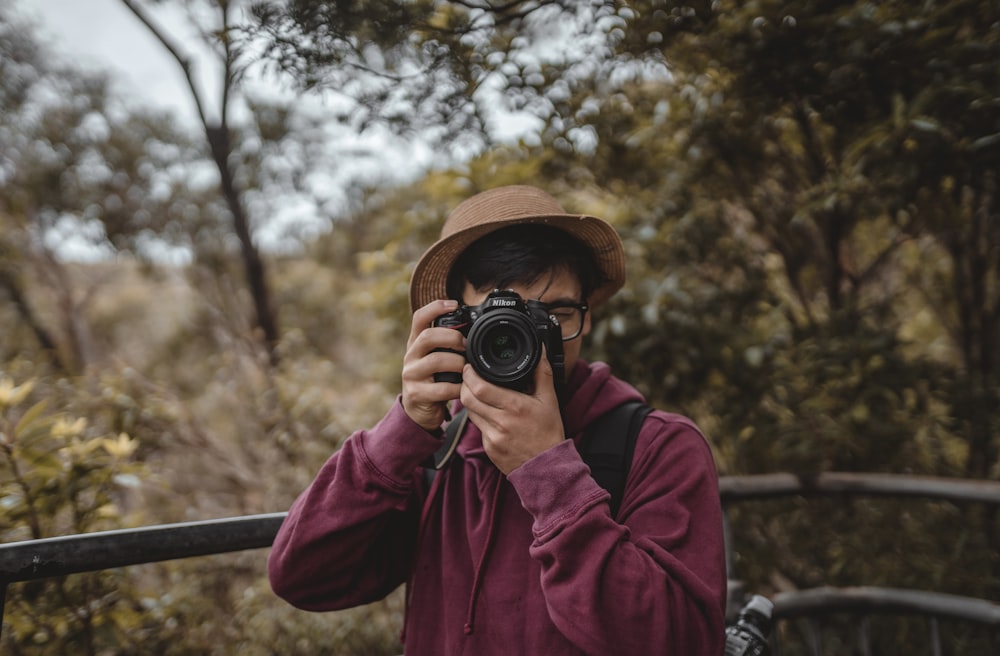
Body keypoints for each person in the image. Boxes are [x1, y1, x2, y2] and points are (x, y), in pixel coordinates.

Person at [268, 185, 727, 655]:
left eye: (555, 313)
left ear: (587, 318)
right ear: (455, 320)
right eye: (501, 317)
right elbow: (302, 577)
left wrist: (552, 476)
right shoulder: (436, 455)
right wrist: (402, 430)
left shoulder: (659, 447)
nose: (532, 337)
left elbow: (685, 641)